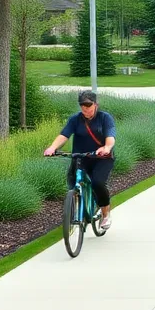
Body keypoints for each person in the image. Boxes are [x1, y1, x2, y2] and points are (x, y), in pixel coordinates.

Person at [44, 90, 117, 230]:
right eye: (82, 105)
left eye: (88, 105)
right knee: (73, 183)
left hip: (101, 158)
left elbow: (110, 135)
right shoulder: (75, 119)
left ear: (95, 104)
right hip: (81, 157)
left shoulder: (104, 118)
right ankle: (75, 209)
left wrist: (107, 147)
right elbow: (64, 134)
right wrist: (52, 147)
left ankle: (105, 214)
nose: (85, 108)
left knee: (98, 182)